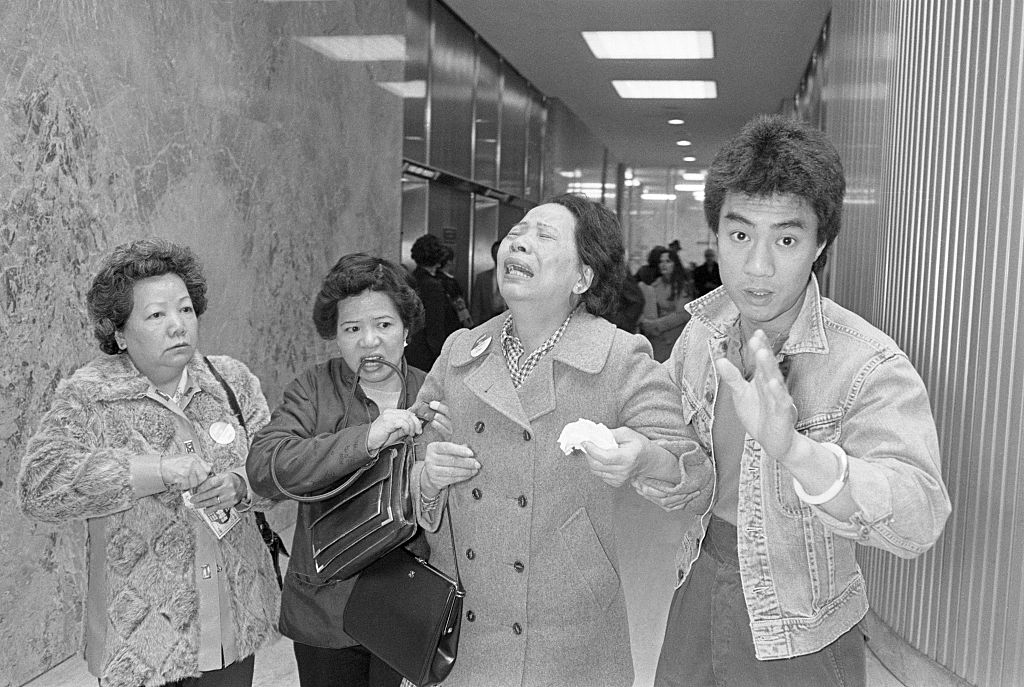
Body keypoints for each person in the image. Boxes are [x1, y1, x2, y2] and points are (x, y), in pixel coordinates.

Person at [636, 114, 952, 687]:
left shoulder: (866, 362)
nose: (758, 267)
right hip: (698, 584)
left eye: (786, 238)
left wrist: (796, 451)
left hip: (804, 621)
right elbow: (680, 454)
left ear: (820, 243)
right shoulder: (704, 334)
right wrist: (642, 457)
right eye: (739, 236)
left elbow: (920, 515)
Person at [410, 193, 713, 687]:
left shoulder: (617, 357)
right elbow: (414, 458)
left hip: (571, 629)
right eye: (517, 233)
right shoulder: (460, 351)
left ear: (582, 277)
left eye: (543, 236)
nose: (519, 243)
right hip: (464, 626)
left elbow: (694, 472)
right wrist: (427, 474)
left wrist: (642, 458)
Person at [18, 239, 280, 687]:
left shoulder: (231, 381)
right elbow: (39, 488)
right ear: (119, 333)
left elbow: (278, 468)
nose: (177, 326)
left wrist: (241, 483)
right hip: (142, 641)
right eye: (156, 315)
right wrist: (153, 470)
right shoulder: (88, 397)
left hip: (232, 627)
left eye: (185, 310)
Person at [246, 254, 447, 687]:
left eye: (384, 325)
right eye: (351, 329)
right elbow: (265, 467)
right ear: (335, 336)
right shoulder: (314, 389)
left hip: (410, 605)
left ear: (407, 329)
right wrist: (367, 438)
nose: (368, 342)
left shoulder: (435, 392)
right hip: (326, 607)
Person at [405, 234, 463, 371]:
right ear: (438, 258)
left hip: (412, 350)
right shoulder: (432, 285)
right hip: (428, 355)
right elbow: (435, 325)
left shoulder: (411, 279)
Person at [638, 247, 694, 362]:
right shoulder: (654, 285)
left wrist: (654, 325)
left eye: (668, 261)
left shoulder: (683, 286)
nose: (663, 265)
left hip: (674, 338)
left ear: (675, 264)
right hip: (656, 338)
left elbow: (682, 315)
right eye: (661, 261)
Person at [470, 239, 508, 325]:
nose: (498, 255)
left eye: (500, 252)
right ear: (492, 255)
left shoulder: (515, 277)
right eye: (495, 253)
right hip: (486, 323)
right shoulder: (482, 278)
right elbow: (476, 305)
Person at [438, 244, 475, 329]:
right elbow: (460, 305)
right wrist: (469, 323)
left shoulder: (434, 279)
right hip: (452, 324)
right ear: (449, 262)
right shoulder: (451, 283)